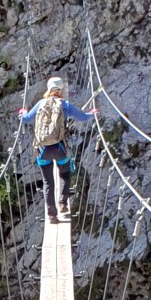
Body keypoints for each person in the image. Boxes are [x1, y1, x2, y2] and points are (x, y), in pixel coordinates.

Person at [19, 76, 96, 223]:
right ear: (60, 90)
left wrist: (22, 112)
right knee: (64, 175)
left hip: (42, 150)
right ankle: (62, 204)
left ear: (48, 88)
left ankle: (52, 215)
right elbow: (82, 117)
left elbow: (27, 119)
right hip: (60, 148)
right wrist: (92, 113)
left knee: (48, 182)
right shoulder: (65, 104)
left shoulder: (41, 104)